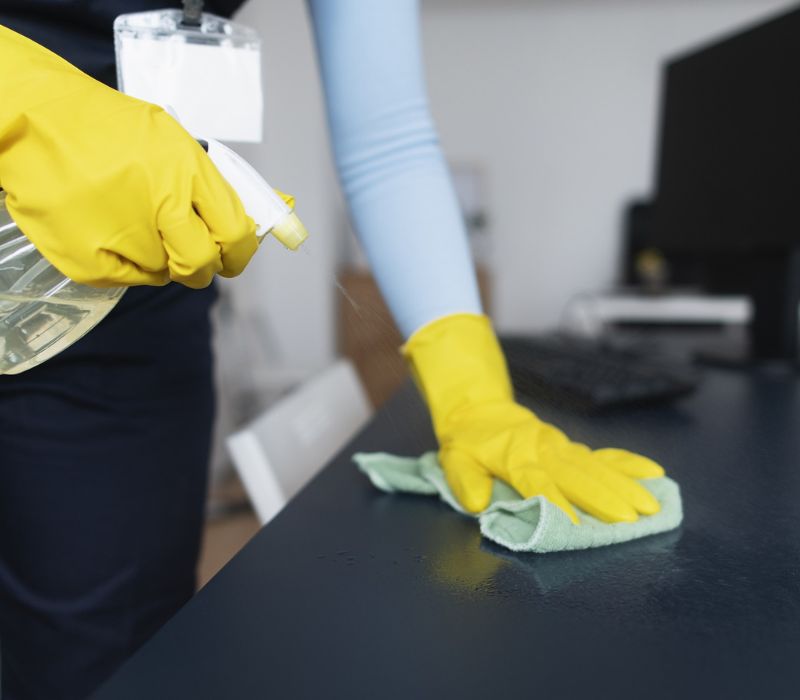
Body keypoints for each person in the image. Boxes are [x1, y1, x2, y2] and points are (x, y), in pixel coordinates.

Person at [0, 1, 667, 698]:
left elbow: (389, 137)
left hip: (119, 291)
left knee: (105, 664)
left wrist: (472, 390)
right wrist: (21, 96)